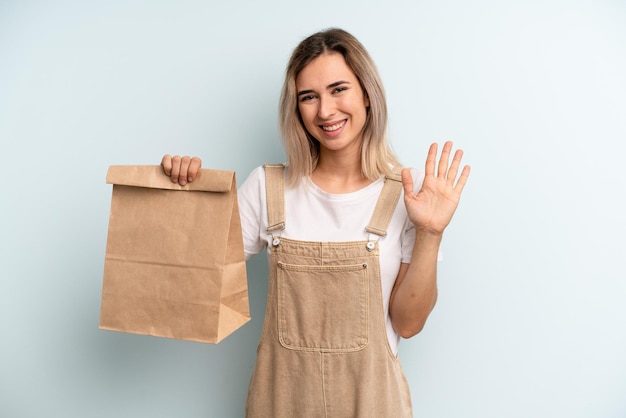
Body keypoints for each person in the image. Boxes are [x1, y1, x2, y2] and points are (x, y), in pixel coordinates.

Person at [161, 28, 470, 418]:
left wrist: (430, 233)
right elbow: (193, 282)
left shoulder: (406, 198)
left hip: (374, 404)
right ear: (297, 109)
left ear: (368, 95)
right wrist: (181, 196)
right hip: (281, 403)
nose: (325, 111)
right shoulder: (267, 188)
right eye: (309, 97)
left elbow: (408, 324)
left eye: (339, 89)